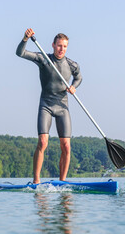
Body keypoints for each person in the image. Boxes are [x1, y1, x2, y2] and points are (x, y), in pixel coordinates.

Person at [16, 28, 82, 184]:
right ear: (53, 45)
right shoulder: (44, 59)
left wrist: (74, 86)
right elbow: (20, 53)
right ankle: (36, 181)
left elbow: (79, 77)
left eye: (65, 46)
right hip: (46, 104)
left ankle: (62, 182)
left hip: (62, 107)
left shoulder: (71, 64)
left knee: (66, 146)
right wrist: (25, 39)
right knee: (43, 142)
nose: (61, 49)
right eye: (59, 46)